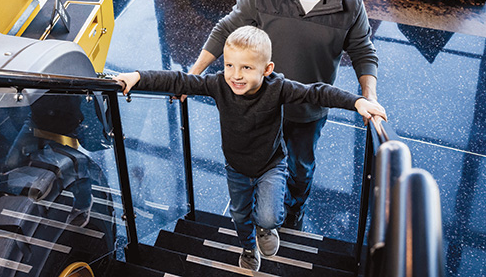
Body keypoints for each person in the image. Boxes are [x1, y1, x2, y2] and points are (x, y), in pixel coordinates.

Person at [115, 26, 386, 271]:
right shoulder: (219, 84)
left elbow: (316, 92)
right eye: (230, 65)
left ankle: (267, 230)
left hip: (271, 164)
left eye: (246, 68)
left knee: (268, 216)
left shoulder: (278, 87)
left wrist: (357, 102)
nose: (235, 75)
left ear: (266, 69)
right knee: (240, 214)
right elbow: (178, 80)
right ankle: (248, 248)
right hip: (236, 167)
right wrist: (138, 76)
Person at [187, 0, 379, 231]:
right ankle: (256, 213)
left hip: (307, 109)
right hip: (262, 105)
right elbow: (226, 29)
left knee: (300, 169)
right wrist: (192, 76)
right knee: (255, 162)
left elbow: (363, 52)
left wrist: (369, 97)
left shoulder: (350, 4)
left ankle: (294, 210)